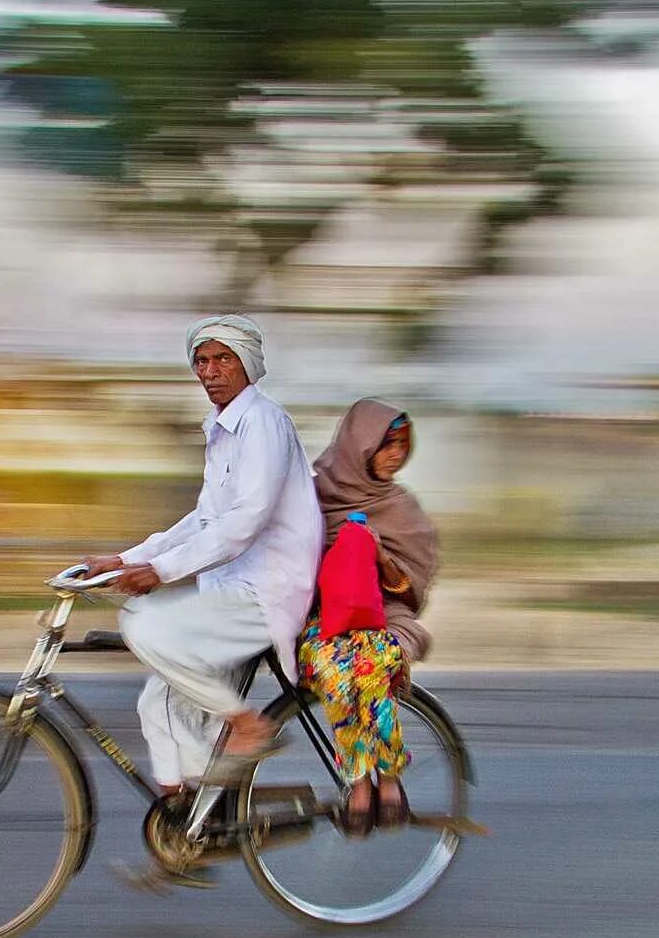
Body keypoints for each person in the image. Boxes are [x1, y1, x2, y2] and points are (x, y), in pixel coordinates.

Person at [82, 315, 324, 819]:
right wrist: (129, 559)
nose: (210, 370)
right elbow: (204, 519)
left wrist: (162, 572)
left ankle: (247, 726)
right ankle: (185, 818)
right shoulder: (223, 428)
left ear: (248, 365)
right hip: (228, 591)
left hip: (265, 592)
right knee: (158, 703)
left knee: (142, 623)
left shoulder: (263, 422)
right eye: (202, 360)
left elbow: (245, 521)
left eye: (223, 358)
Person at [302, 399, 440, 834]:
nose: (395, 454)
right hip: (324, 618)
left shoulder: (401, 507)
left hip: (385, 616)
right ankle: (359, 778)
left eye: (402, 445)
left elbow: (409, 588)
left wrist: (379, 558)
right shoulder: (313, 494)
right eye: (386, 445)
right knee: (334, 669)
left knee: (369, 662)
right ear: (359, 445)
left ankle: (389, 774)